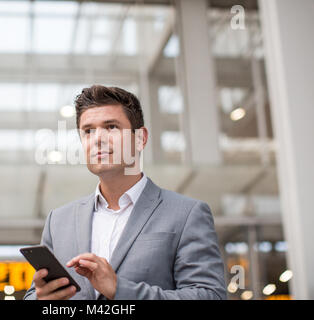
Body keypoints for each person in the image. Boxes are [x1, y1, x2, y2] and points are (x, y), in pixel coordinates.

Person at [24, 85, 226, 300]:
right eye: (88, 131)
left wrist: (120, 289)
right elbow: (32, 295)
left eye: (111, 127)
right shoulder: (58, 221)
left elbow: (209, 296)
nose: (97, 139)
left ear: (141, 138)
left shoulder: (187, 214)